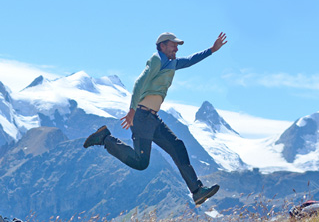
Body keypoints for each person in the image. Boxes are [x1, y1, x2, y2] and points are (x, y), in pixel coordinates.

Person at [83, 32, 228, 205]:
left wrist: (212, 50)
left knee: (178, 147)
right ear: (162, 46)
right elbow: (139, 82)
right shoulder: (156, 60)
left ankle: (197, 191)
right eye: (173, 45)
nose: (176, 48)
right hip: (142, 116)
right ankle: (105, 139)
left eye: (177, 45)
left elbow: (189, 60)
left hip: (152, 119)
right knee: (141, 162)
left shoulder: (171, 63)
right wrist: (132, 111)